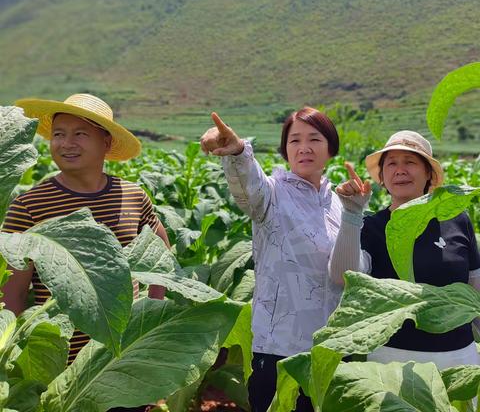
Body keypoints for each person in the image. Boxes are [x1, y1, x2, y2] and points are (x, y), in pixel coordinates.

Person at [2, 93, 169, 412]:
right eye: (59, 134)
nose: (66, 143)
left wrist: (151, 319)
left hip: (120, 363)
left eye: (80, 134)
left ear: (106, 143)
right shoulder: (29, 206)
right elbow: (12, 294)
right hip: (61, 370)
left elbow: (161, 258)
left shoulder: (133, 196)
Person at [200, 107, 344, 412]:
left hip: (330, 349)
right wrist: (237, 151)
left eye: (314, 139)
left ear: (330, 147)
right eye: (295, 141)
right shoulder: (272, 195)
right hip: (279, 348)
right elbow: (248, 186)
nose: (304, 147)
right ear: (285, 151)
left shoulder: (341, 204)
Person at [329, 130, 480, 369]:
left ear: (428, 173)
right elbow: (341, 276)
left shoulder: (458, 220)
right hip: (392, 359)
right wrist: (351, 213)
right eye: (391, 164)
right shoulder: (373, 227)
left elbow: (475, 288)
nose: (400, 170)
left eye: (410, 162)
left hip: (459, 358)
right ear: (382, 177)